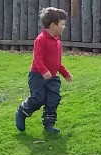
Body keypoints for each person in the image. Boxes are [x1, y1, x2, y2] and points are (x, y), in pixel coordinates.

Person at [15, 7, 73, 135]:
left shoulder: (58, 41)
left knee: (53, 100)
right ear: (53, 25)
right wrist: (43, 71)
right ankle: (22, 112)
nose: (64, 27)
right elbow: (37, 58)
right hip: (37, 77)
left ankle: (49, 125)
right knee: (38, 99)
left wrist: (65, 73)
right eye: (62, 24)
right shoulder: (41, 40)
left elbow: (57, 62)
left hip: (52, 78)